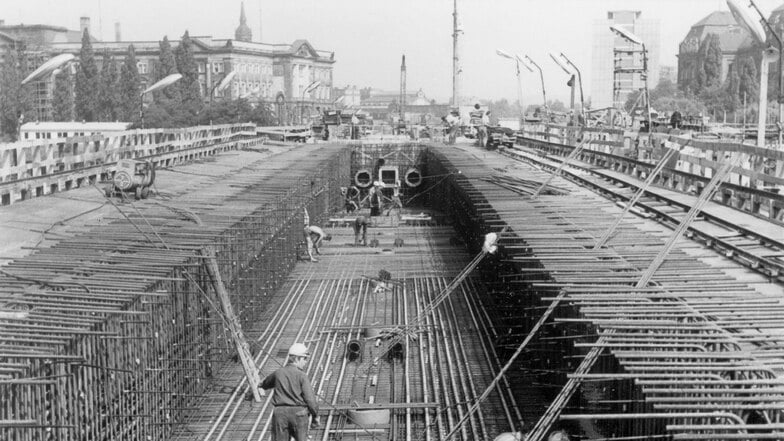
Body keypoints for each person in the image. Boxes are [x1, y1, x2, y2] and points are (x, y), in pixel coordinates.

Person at [261, 343, 320, 441]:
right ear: (297, 358)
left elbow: (265, 384)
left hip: (280, 414)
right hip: (299, 414)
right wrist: (315, 416)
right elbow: (310, 400)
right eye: (304, 359)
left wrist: (259, 385)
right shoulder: (302, 375)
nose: (305, 362)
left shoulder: (278, 373)